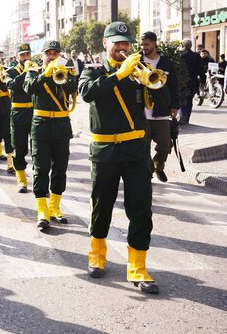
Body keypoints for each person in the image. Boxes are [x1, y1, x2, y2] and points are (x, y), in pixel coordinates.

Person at [79, 22, 168, 295]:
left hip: (135, 150)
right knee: (101, 205)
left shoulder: (138, 72)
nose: (123, 47)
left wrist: (151, 83)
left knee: (141, 208)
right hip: (105, 151)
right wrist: (120, 74)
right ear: (105, 43)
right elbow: (87, 93)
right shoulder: (91, 71)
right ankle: (97, 254)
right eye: (117, 42)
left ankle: (138, 267)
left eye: (127, 43)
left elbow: (157, 98)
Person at [23, 40, 77, 228]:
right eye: (49, 53)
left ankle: (55, 207)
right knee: (41, 168)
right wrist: (45, 75)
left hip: (61, 125)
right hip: (41, 125)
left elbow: (73, 89)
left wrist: (64, 74)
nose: (52, 57)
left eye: (55, 53)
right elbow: (29, 89)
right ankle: (42, 210)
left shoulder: (66, 71)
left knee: (60, 168)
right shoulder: (33, 72)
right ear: (42, 55)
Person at [139, 31, 180, 182]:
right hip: (141, 113)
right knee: (143, 147)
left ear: (155, 43)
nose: (144, 47)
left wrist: (175, 106)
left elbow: (174, 86)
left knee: (164, 145)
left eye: (147, 44)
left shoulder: (166, 63)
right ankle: (148, 170)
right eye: (142, 44)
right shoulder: (137, 61)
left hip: (161, 111)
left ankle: (158, 166)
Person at [6, 43, 34, 192]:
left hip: (35, 113)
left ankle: (38, 180)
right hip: (18, 113)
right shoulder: (10, 71)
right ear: (17, 57)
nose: (25, 57)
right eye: (22, 55)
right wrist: (26, 72)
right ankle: (21, 179)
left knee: (37, 148)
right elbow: (13, 85)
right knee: (19, 148)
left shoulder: (36, 68)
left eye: (27, 54)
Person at [179, 39, 204, 124]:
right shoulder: (196, 56)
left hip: (181, 81)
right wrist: (203, 81)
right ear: (191, 45)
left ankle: (183, 117)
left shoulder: (179, 54)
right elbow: (201, 70)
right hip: (193, 81)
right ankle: (187, 119)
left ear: (182, 45)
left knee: (182, 99)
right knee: (189, 100)